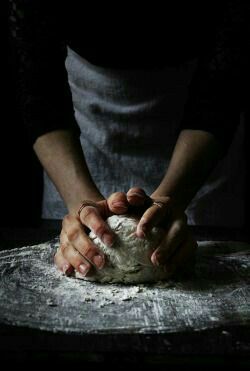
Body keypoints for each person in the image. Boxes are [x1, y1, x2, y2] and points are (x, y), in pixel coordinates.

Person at [9, 1, 248, 278]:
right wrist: (81, 203)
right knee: (87, 258)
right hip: (80, 146)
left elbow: (221, 92)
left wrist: (172, 198)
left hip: (199, 155)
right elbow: (39, 91)